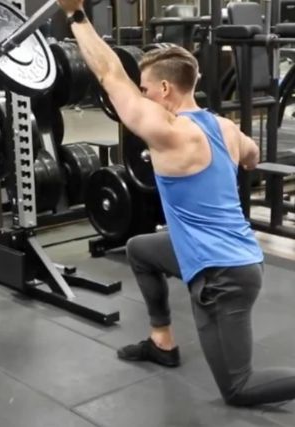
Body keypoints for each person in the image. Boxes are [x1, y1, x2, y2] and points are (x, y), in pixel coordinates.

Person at [58, 0, 295, 406]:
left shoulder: (169, 131)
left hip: (224, 276)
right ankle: (162, 341)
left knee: (239, 389)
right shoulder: (222, 125)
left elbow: (109, 73)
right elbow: (252, 156)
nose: (143, 95)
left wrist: (75, 15)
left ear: (165, 89)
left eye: (146, 89)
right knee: (140, 249)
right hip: (232, 254)